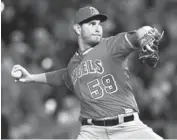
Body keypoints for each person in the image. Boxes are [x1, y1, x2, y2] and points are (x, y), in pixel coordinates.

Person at [11, 6, 163, 139]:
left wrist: (146, 36)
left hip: (128, 127)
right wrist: (31, 77)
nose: (98, 28)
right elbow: (61, 76)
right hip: (92, 132)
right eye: (91, 24)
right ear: (78, 29)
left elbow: (141, 32)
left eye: (99, 24)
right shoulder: (73, 64)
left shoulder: (111, 45)